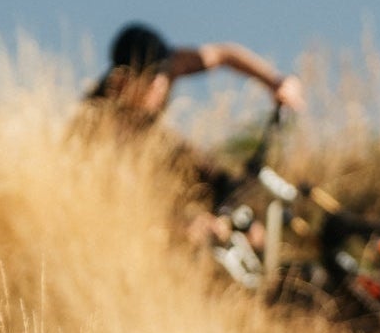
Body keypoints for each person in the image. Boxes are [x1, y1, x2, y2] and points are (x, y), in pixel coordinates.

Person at [81, 22, 307, 205]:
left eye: (163, 77)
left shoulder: (170, 65)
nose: (160, 87)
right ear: (123, 81)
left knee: (224, 185)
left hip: (159, 143)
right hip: (139, 174)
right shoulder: (100, 112)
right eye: (150, 81)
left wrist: (277, 83)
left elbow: (224, 55)